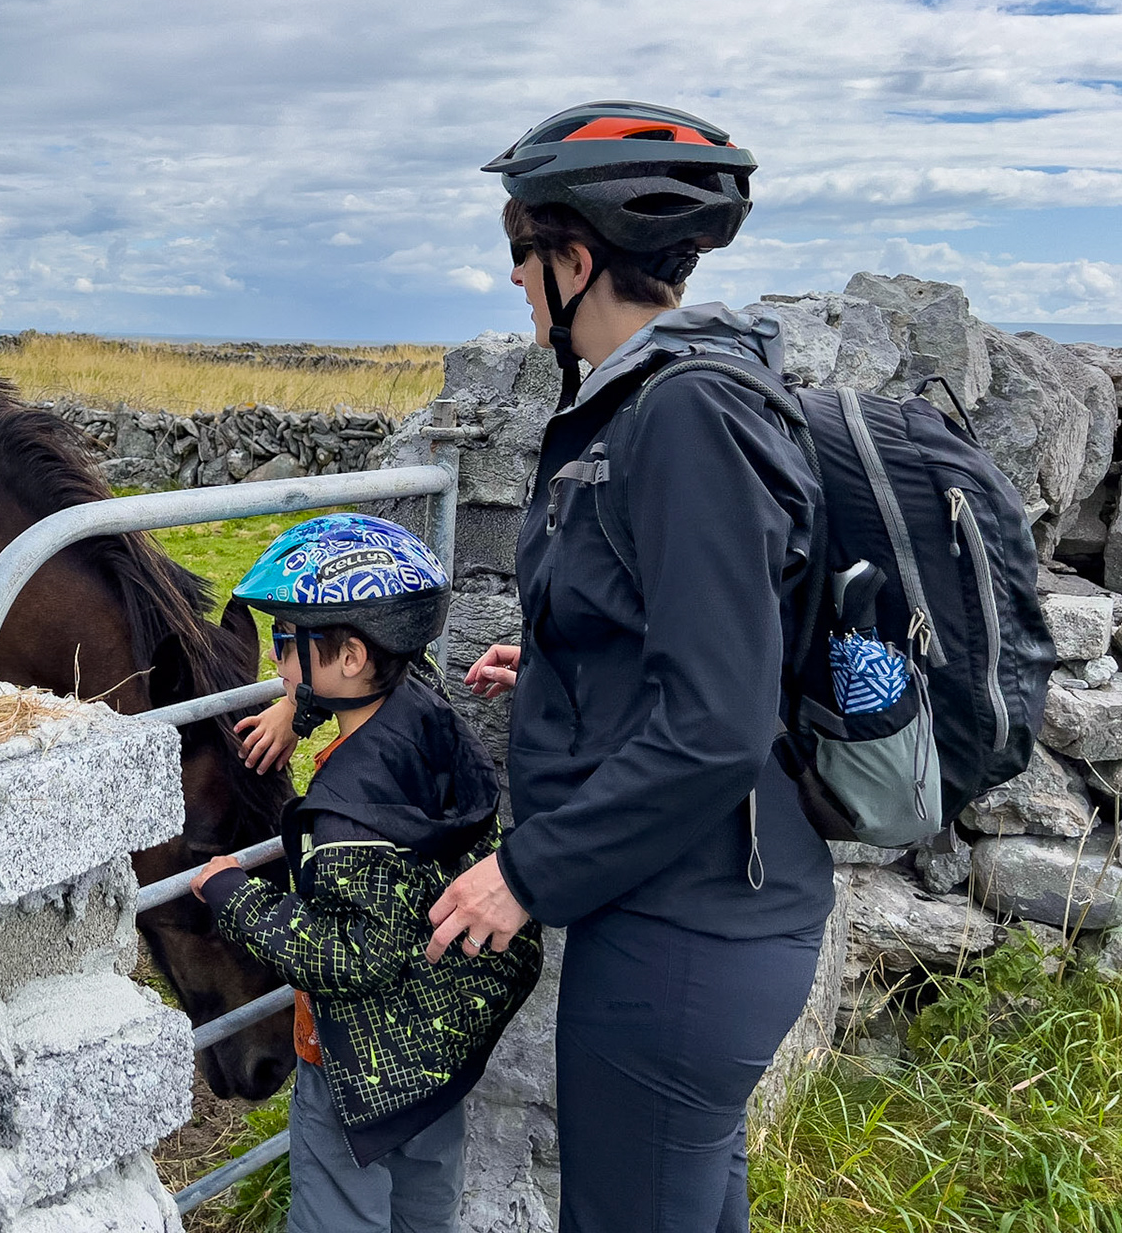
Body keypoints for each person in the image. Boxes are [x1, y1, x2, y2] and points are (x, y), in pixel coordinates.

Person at [239, 101, 835, 1232]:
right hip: (702, 903)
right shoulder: (670, 396)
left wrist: (527, 875)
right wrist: (564, 659)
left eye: (520, 258)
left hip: (690, 927)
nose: (514, 287)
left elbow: (716, 722)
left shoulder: (682, 417)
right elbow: (705, 628)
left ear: (573, 259)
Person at [189, 513, 542, 1233]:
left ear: (351, 656)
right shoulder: (427, 708)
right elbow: (402, 668)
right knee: (425, 1203)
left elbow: (351, 952)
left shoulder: (348, 819)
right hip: (438, 1048)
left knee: (337, 1212)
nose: (278, 666)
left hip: (357, 1068)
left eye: (287, 644)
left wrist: (233, 895)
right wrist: (302, 705)